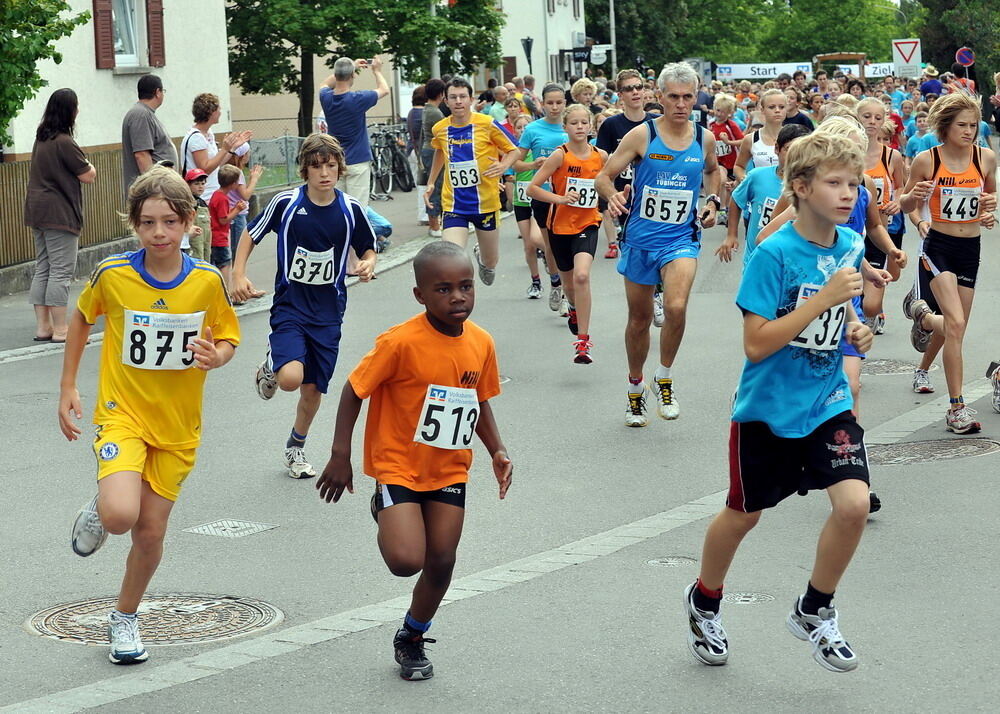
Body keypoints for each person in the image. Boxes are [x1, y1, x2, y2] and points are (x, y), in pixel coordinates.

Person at [684, 132, 874, 674]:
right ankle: (705, 599)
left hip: (827, 400)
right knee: (744, 515)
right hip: (767, 409)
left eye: (853, 183)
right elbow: (757, 342)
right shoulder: (772, 254)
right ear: (801, 186)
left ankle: (814, 608)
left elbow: (843, 316)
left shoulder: (849, 245)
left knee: (855, 506)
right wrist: (824, 301)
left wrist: (856, 330)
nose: (846, 193)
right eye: (834, 183)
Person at [61, 166, 240, 665]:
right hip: (124, 414)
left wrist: (217, 356)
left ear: (187, 223)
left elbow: (227, 336)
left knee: (150, 532)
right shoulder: (114, 276)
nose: (158, 233)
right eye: (147, 223)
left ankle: (124, 617)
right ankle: (101, 506)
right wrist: (68, 386)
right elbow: (80, 318)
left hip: (179, 428)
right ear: (134, 226)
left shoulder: (206, 282)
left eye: (168, 222)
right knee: (121, 515)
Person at [316, 240, 512, 681]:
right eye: (443, 289)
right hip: (398, 465)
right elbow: (353, 389)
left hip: (447, 468)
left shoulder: (481, 343)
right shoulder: (400, 342)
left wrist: (497, 449)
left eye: (465, 287)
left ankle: (412, 634)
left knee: (442, 561)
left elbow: (478, 400)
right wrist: (340, 454)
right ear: (420, 295)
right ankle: (384, 506)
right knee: (406, 560)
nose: (457, 297)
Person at [231, 134, 378, 477]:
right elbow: (251, 233)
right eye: (316, 167)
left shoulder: (350, 209)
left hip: (329, 314)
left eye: (330, 166)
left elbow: (368, 248)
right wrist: (238, 274)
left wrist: (368, 263)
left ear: (339, 168)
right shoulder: (286, 203)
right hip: (291, 307)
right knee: (291, 379)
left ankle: (295, 448)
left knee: (313, 389)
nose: (324, 173)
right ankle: (272, 363)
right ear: (305, 170)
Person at [596, 62, 722, 426]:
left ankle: (663, 377)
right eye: (674, 97)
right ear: (660, 96)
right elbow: (604, 176)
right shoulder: (642, 135)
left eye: (688, 96)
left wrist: (712, 201)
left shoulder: (704, 138)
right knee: (639, 320)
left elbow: (713, 171)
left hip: (680, 238)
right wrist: (613, 196)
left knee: (677, 306)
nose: (681, 104)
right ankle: (635, 389)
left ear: (696, 95)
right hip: (640, 239)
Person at [899, 93, 997, 433]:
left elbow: (989, 199)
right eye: (962, 125)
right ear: (945, 126)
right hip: (938, 246)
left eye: (974, 125)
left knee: (957, 329)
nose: (969, 131)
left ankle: (924, 320)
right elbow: (904, 200)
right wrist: (916, 198)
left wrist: (988, 212)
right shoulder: (928, 160)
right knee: (954, 324)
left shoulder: (986, 158)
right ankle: (957, 408)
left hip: (971, 249)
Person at [528, 104, 608, 364]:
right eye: (574, 123)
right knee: (570, 285)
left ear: (590, 126)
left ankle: (583, 342)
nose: (580, 127)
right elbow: (532, 188)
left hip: (587, 224)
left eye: (584, 122)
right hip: (559, 227)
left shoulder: (601, 156)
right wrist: (560, 198)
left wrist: (615, 196)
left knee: (582, 276)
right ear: (565, 128)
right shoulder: (559, 156)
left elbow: (609, 183)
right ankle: (572, 306)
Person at [424, 77, 519, 285]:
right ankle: (460, 293)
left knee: (491, 260)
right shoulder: (440, 128)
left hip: (485, 203)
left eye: (462, 97)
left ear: (471, 99)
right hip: (454, 203)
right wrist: (431, 182)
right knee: (450, 256)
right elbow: (440, 151)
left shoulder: (486, 124)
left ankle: (484, 262)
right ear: (445, 101)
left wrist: (503, 167)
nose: (458, 101)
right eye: (453, 97)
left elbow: (513, 149)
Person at [24, 88, 97, 343]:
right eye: (75, 107)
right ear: (70, 111)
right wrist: (91, 165)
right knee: (61, 271)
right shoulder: (65, 142)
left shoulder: (41, 137)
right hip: (59, 212)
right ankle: (61, 329)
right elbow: (88, 175)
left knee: (43, 267)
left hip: (37, 210)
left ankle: (43, 327)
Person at [716, 124, 810, 267]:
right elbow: (736, 199)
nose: (795, 156)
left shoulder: (811, 185)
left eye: (802, 150)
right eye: (789, 149)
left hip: (791, 260)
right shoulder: (757, 176)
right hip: (756, 257)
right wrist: (731, 235)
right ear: (776, 149)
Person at [514, 83, 572, 312]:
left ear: (565, 104)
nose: (555, 107)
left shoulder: (572, 126)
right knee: (550, 246)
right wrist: (533, 164)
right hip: (543, 195)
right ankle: (556, 281)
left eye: (559, 102)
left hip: (569, 196)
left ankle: (569, 295)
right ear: (542, 104)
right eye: (550, 103)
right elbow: (516, 164)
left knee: (568, 246)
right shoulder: (533, 130)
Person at [596, 69, 658, 260]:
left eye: (639, 87)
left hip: (654, 193)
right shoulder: (611, 125)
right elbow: (601, 160)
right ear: (620, 95)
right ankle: (646, 285)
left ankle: (656, 286)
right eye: (629, 89)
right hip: (625, 194)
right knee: (633, 246)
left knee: (656, 243)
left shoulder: (656, 123)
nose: (635, 92)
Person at [319, 57, 390, 208]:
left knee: (337, 207)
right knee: (357, 209)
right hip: (358, 161)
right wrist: (376, 71)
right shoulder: (358, 99)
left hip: (335, 162)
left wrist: (351, 66)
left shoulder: (325, 97)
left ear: (336, 75)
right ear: (352, 75)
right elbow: (384, 89)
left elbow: (325, 84)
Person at [179, 93, 253, 201]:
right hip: (203, 198)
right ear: (211, 112)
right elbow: (205, 169)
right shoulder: (196, 138)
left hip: (211, 195)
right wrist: (224, 149)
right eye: (219, 109)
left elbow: (216, 165)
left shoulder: (208, 133)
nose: (220, 112)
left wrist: (233, 148)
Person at [509, 114, 546, 299]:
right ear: (514, 130)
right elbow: (511, 172)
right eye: (519, 127)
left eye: (526, 126)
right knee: (528, 245)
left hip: (538, 198)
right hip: (521, 201)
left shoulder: (539, 146)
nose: (523, 130)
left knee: (536, 239)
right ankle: (536, 281)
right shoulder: (514, 151)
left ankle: (550, 256)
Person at [121, 75, 176, 193]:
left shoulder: (144, 114)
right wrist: (153, 189)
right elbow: (142, 155)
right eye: (163, 91)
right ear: (157, 92)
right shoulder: (141, 115)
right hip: (153, 193)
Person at [708, 93, 745, 226]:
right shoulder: (711, 124)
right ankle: (723, 210)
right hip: (719, 161)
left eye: (723, 112)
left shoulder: (732, 125)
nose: (719, 114)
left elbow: (742, 141)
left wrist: (727, 141)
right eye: (717, 110)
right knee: (723, 181)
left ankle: (729, 209)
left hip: (733, 162)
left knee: (730, 188)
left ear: (729, 113)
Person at [208, 164, 246, 291]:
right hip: (220, 238)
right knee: (225, 264)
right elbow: (223, 219)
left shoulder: (216, 194)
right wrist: (237, 210)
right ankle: (226, 293)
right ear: (232, 184)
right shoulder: (222, 198)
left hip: (215, 236)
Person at [734, 88, 786, 181]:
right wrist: (746, 181)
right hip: (760, 193)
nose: (777, 110)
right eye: (771, 107)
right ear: (762, 110)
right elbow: (739, 166)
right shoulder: (751, 139)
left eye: (782, 107)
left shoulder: (795, 137)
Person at [420, 79, 446, 237]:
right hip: (433, 151)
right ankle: (434, 225)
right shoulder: (435, 112)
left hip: (428, 149)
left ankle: (435, 223)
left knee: (435, 185)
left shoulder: (428, 109)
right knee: (435, 186)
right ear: (440, 94)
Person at [182, 168, 211, 261]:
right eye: (196, 184)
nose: (200, 186)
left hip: (205, 240)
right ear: (188, 185)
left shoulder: (202, 202)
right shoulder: (187, 202)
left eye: (202, 184)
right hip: (194, 242)